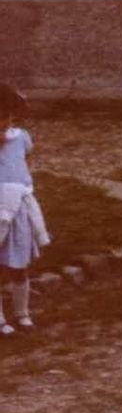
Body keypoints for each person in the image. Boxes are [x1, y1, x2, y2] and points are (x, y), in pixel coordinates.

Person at [0, 85, 48, 337]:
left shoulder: (20, 138)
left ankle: (22, 314)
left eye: (5, 117)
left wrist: (20, 189)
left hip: (17, 208)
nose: (3, 123)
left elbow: (24, 161)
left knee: (18, 263)